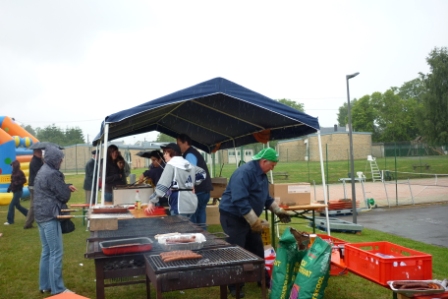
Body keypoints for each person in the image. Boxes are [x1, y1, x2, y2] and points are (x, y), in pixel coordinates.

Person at [219, 148, 291, 298]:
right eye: (272, 165)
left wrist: (278, 211)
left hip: (249, 218)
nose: (273, 168)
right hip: (233, 217)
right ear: (263, 161)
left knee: (258, 249)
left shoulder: (262, 176)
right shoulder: (244, 173)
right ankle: (235, 286)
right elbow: (240, 200)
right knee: (236, 251)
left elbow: (266, 198)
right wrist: (254, 221)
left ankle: (262, 278)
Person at [33, 145, 77, 295]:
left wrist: (66, 185)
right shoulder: (52, 174)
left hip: (40, 216)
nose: (61, 162)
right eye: (60, 159)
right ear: (54, 159)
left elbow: (52, 188)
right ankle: (57, 289)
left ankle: (45, 285)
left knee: (46, 252)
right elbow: (63, 195)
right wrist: (66, 186)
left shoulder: (43, 169)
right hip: (50, 217)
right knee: (56, 252)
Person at [145, 143, 206, 217]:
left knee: (178, 228)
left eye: (166, 153)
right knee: (188, 227)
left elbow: (163, 185)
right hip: (191, 202)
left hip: (179, 204)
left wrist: (152, 201)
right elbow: (202, 173)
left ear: (171, 153)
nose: (164, 156)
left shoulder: (171, 165)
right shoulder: (186, 164)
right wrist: (190, 183)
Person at [177, 133, 213, 228]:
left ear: (185, 143)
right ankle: (204, 236)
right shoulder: (194, 152)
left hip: (198, 191)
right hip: (205, 190)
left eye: (179, 144)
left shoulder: (189, 154)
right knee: (201, 216)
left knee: (193, 218)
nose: (178, 146)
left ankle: (195, 236)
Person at [24, 148, 44, 229]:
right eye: (39, 152)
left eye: (41, 152)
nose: (40, 153)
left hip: (35, 185)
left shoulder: (38, 160)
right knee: (34, 205)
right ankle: (28, 223)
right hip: (34, 186)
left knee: (36, 204)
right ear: (35, 152)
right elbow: (39, 172)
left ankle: (32, 222)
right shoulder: (35, 162)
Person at [4, 160, 28, 225]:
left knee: (11, 205)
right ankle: (29, 214)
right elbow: (12, 182)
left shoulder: (19, 172)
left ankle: (10, 221)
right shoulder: (14, 173)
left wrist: (16, 183)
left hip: (18, 191)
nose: (11, 166)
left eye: (12, 165)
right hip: (15, 191)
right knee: (18, 206)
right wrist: (9, 188)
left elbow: (24, 180)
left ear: (15, 165)